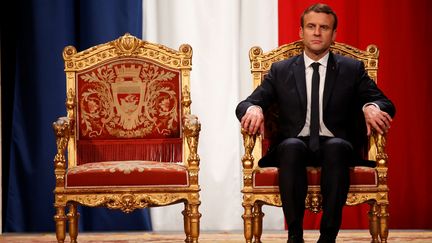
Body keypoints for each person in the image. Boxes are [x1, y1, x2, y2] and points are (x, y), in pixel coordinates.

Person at [235, 3, 395, 243]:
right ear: (301, 32)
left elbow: (385, 102)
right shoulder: (281, 70)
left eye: (324, 27)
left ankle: (328, 237)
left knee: (336, 146)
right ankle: (295, 236)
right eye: (311, 26)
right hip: (293, 148)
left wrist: (371, 107)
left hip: (337, 149)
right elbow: (246, 104)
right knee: (291, 146)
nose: (317, 32)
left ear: (333, 34)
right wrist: (255, 108)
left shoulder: (352, 69)